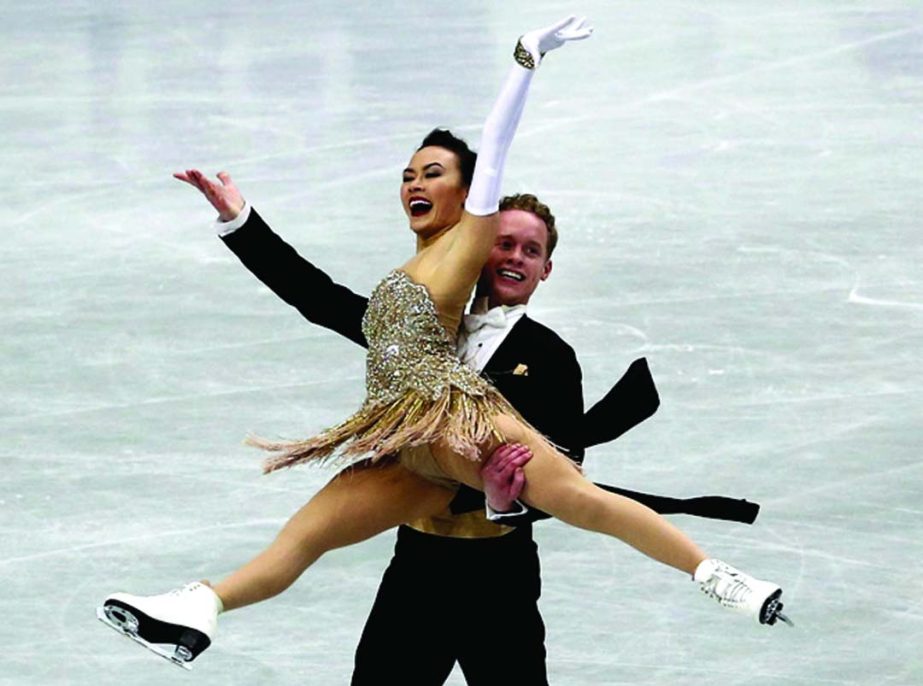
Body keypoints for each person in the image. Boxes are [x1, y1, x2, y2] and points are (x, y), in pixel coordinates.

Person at [98, 15, 790, 671]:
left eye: (433, 172)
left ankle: (715, 576)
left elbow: (496, 143)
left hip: (462, 439)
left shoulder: (474, 256)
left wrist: (525, 58)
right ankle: (201, 606)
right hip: (408, 447)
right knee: (304, 536)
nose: (415, 182)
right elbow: (314, 296)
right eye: (407, 173)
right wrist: (239, 220)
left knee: (579, 498)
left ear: (467, 197)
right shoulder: (411, 280)